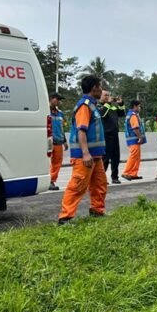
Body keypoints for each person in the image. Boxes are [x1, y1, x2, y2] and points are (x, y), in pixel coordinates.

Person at [58, 76, 107, 225]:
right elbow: (81, 131)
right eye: (100, 86)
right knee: (78, 185)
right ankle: (65, 217)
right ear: (94, 88)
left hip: (95, 155)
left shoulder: (93, 106)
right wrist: (85, 153)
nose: (102, 89)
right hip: (85, 155)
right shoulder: (84, 106)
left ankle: (97, 211)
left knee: (100, 184)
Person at [98, 90, 125, 184]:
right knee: (105, 158)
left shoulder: (112, 106)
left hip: (114, 134)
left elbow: (121, 114)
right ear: (100, 96)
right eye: (105, 95)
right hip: (106, 135)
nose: (107, 97)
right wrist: (108, 103)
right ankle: (101, 178)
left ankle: (115, 177)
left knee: (116, 157)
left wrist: (121, 104)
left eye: (109, 95)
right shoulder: (99, 106)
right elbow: (102, 115)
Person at [48, 92, 69, 190]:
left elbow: (62, 128)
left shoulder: (60, 113)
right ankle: (46, 181)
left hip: (59, 141)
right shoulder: (45, 111)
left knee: (57, 163)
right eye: (57, 99)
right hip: (48, 141)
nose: (59, 102)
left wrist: (64, 141)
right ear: (51, 99)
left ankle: (51, 181)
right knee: (47, 163)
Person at [122, 100, 146, 180]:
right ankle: (126, 172)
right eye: (139, 106)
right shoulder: (133, 115)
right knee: (134, 156)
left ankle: (133, 173)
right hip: (134, 139)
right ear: (135, 106)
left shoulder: (131, 115)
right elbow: (135, 127)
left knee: (137, 157)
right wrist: (140, 137)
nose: (140, 108)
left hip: (133, 139)